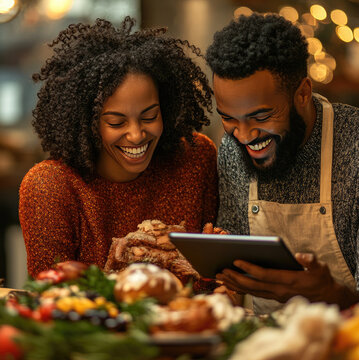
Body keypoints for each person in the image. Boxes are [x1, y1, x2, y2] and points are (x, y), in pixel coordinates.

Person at [207, 14, 359, 313]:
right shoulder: (233, 150)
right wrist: (222, 292)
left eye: (260, 117)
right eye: (229, 118)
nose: (244, 136)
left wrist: (329, 295)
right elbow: (233, 274)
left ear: (302, 93)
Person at [20, 17, 218, 276]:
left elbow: (215, 283)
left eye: (149, 117)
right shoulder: (51, 186)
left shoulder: (195, 159)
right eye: (116, 122)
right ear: (86, 122)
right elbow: (51, 297)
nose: (136, 135)